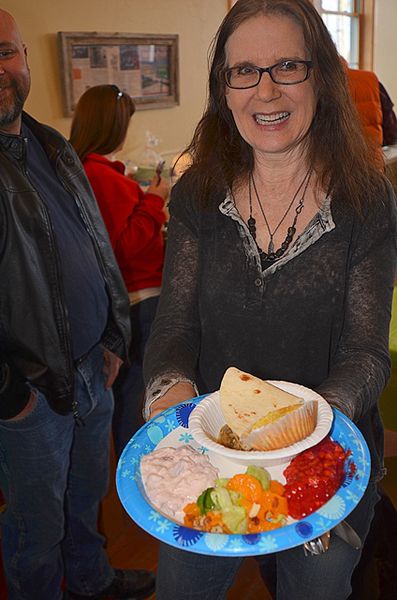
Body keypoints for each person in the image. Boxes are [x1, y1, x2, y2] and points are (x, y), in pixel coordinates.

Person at [142, 1, 397, 599]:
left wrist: (292, 439)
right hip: (214, 452)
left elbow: (366, 354)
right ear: (224, 89)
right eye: (244, 71)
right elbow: (174, 324)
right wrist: (169, 397)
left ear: (321, 79)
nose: (265, 90)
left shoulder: (367, 202)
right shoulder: (197, 193)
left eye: (287, 66)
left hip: (326, 459)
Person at [0, 10, 155, 600]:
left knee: (88, 498)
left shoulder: (53, 145)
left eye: (5, 53)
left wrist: (116, 337)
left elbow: (97, 248)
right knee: (35, 528)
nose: (0, 70)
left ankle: (92, 582)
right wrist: (12, 397)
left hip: (93, 368)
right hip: (32, 395)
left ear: (24, 60)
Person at [70, 85, 169, 459]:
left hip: (112, 300)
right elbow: (126, 245)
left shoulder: (77, 170)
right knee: (139, 389)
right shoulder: (103, 177)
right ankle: (142, 461)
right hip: (139, 296)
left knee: (128, 387)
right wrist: (156, 200)